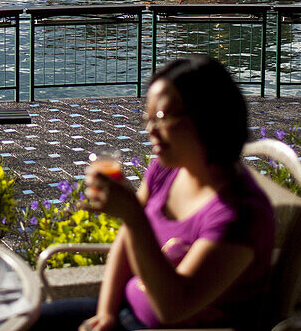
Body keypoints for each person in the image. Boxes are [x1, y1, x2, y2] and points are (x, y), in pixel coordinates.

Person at [35, 56, 275, 331]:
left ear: (207, 115)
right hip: (125, 311)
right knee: (19, 322)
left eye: (161, 117)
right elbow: (126, 242)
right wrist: (106, 313)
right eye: (147, 118)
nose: (150, 130)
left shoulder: (240, 214)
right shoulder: (166, 170)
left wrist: (134, 217)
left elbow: (172, 308)